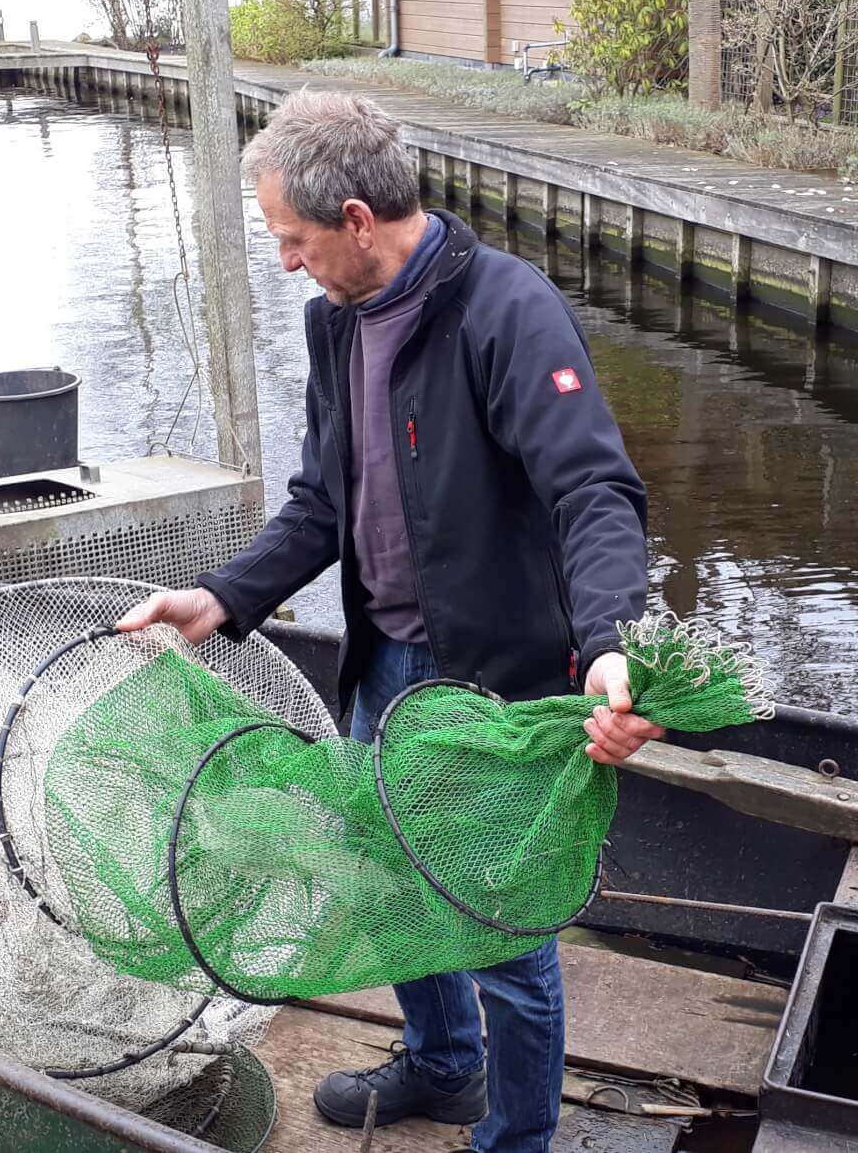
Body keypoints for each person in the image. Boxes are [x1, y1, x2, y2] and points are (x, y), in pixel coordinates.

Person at [117, 89, 663, 1153]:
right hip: (383, 664)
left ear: (358, 220)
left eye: (294, 239)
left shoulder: (506, 309)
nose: (285, 262)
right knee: (381, 880)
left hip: (496, 682)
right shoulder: (336, 325)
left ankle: (515, 1136)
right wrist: (224, 595)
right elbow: (324, 501)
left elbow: (593, 491)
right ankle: (444, 1066)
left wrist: (606, 642)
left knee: (504, 927)